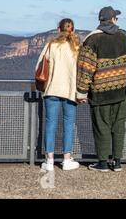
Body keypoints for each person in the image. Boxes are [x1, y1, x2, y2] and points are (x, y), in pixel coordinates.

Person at [76, 6, 126, 172]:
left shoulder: (92, 40)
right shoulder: (125, 37)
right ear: (112, 19)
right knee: (119, 126)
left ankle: (103, 163)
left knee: (101, 127)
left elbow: (85, 68)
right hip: (121, 91)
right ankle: (117, 162)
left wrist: (81, 92)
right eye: (116, 18)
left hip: (100, 92)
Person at [36, 18, 81, 171]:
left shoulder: (51, 45)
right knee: (68, 125)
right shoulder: (76, 48)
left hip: (51, 90)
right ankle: (66, 160)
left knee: (50, 124)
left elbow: (39, 66)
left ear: (58, 29)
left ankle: (49, 161)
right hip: (70, 92)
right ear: (72, 30)